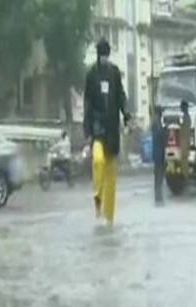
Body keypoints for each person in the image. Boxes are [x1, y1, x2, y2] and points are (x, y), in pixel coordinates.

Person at [83, 38, 130, 226]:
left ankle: (109, 218)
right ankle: (97, 199)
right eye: (101, 55)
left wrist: (126, 114)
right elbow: (87, 102)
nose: (104, 58)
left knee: (112, 179)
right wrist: (87, 127)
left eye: (106, 55)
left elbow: (121, 96)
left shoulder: (115, 73)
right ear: (97, 55)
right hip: (97, 129)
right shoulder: (91, 74)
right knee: (98, 161)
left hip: (112, 130)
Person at [151, 105, 166, 206]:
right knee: (159, 176)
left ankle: (158, 197)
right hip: (158, 152)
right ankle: (158, 198)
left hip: (158, 152)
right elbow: (159, 135)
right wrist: (165, 131)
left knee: (158, 176)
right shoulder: (156, 122)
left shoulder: (155, 121)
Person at [179, 99, 192, 179]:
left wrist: (180, 126)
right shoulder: (186, 117)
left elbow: (185, 130)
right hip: (185, 140)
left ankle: (185, 176)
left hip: (184, 140)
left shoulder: (186, 117)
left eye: (181, 107)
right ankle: (185, 175)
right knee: (184, 159)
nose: (181, 108)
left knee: (184, 159)